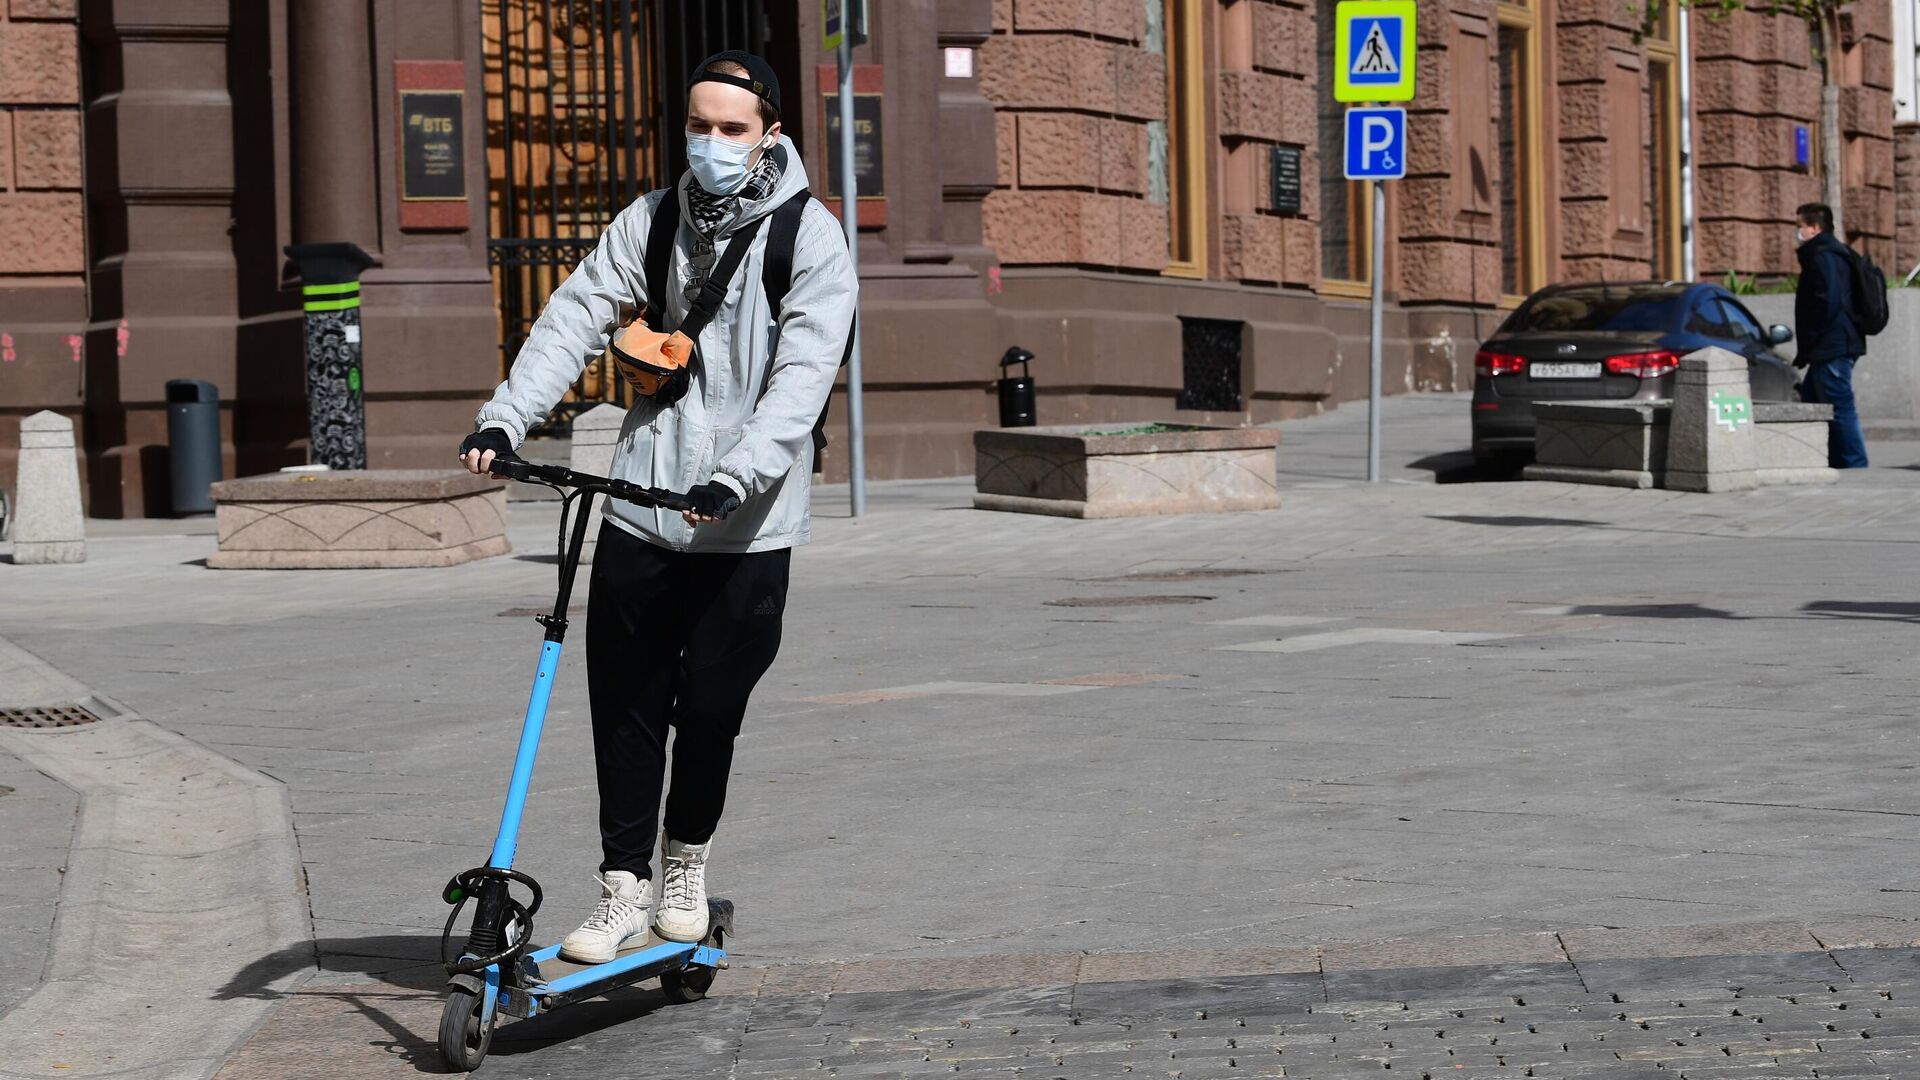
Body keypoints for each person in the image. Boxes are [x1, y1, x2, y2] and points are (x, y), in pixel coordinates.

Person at [457, 51, 856, 962]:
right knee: (626, 705)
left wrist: (739, 475)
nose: (710, 144)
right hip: (642, 504)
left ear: (770, 137)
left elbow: (801, 379)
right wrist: (507, 419)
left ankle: (686, 865)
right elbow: (573, 315)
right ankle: (623, 889)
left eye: (731, 129)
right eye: (698, 125)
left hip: (745, 524)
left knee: (712, 708)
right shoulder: (652, 218)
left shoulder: (811, 237)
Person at [1792, 202, 1869, 469]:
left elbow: (1829, 301)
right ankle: (1827, 461)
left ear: (1814, 228)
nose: (1797, 231)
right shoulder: (1829, 253)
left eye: (1799, 226)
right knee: (1813, 400)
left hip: (1833, 344)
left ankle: (1855, 465)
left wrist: (1813, 338)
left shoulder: (1824, 256)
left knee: (1839, 406)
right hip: (1833, 343)